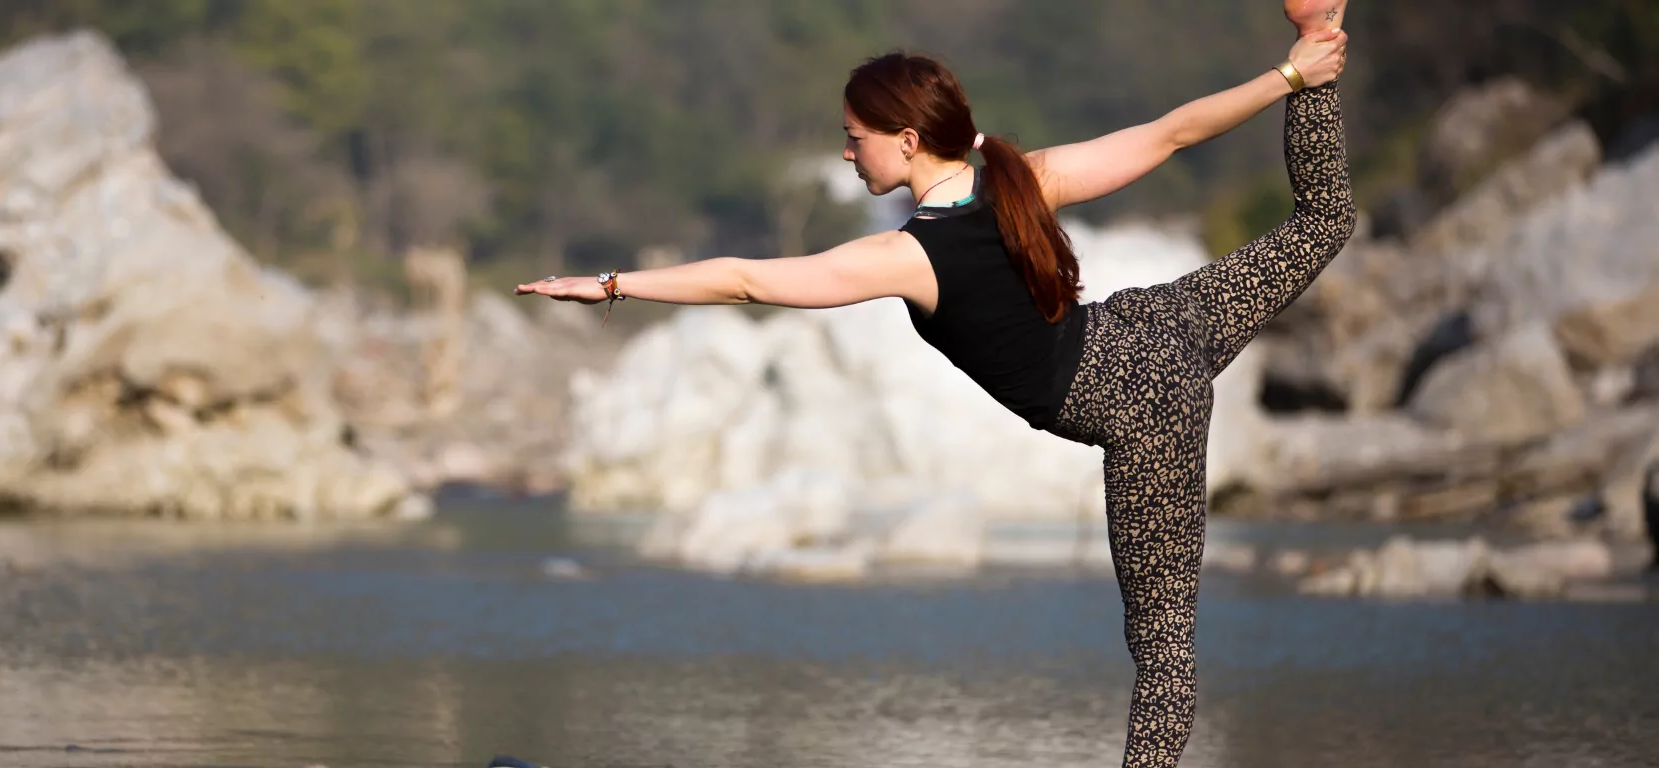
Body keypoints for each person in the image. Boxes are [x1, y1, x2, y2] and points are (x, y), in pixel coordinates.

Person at [514, 2, 1354, 765]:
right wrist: (1291, 74)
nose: (847, 152)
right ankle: (1319, 36)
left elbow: (747, 279)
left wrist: (615, 284)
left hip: (1142, 407)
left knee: (1163, 644)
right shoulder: (1019, 177)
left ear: (907, 139)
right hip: (1162, 324)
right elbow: (1172, 133)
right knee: (1325, 219)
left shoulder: (912, 256)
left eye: (856, 137)